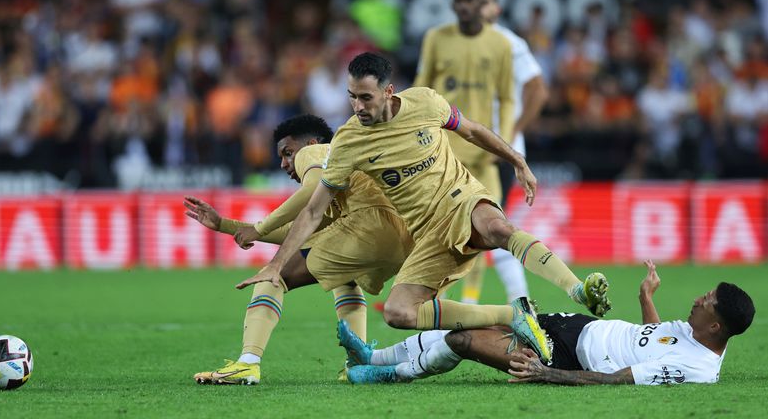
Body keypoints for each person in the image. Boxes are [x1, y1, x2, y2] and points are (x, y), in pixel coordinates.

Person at [237, 52, 611, 363]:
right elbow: (314, 211)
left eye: (365, 97)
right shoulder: (350, 140)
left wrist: (516, 160)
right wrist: (274, 265)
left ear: (388, 91)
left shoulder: (426, 102)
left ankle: (578, 289)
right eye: (352, 96)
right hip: (426, 233)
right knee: (400, 313)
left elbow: (472, 129)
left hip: (461, 198)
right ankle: (514, 314)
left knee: (498, 229)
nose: (357, 106)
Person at [185, 114, 413, 385]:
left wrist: (259, 228)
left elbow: (311, 191)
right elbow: (299, 231)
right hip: (402, 237)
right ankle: (359, 364)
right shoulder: (344, 174)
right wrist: (225, 224)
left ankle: (247, 363)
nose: (284, 163)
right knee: (344, 279)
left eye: (288, 153)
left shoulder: (317, 151)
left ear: (311, 143)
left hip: (370, 226)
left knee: (274, 276)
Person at [340, 260, 755, 386]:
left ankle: (390, 374)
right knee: (481, 315)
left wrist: (546, 372)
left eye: (708, 302)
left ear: (716, 326)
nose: (700, 299)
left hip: (565, 355)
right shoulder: (693, 334)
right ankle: (372, 354)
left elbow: (621, 379)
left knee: (463, 339)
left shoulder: (697, 370)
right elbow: (654, 337)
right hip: (571, 325)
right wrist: (646, 298)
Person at [412, 0, 516, 305]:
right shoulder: (436, 39)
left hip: (483, 154)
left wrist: (506, 143)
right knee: (442, 229)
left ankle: (469, 300)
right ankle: (434, 299)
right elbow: (421, 86)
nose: (463, 7)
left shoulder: (500, 44)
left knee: (491, 227)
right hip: (445, 152)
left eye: (469, 1)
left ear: (482, 4)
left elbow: (507, 98)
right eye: (457, 1)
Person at [476, 0, 549, 304]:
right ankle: (451, 302)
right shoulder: (450, 41)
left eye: (485, 1)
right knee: (463, 223)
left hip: (499, 152)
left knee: (491, 224)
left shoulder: (509, 43)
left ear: (496, 8)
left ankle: (519, 300)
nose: (478, 8)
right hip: (464, 148)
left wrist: (512, 133)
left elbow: (538, 89)